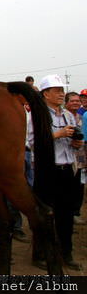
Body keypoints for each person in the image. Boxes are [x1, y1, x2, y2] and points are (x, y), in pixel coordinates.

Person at [31, 75, 83, 270]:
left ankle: (65, 253)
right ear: (46, 94)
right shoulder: (38, 115)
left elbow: (74, 141)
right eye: (57, 90)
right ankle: (40, 255)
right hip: (47, 170)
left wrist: (76, 142)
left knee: (66, 215)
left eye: (62, 90)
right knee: (44, 215)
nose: (61, 94)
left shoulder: (68, 115)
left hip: (68, 169)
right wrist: (57, 134)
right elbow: (31, 143)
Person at [64, 92, 85, 225]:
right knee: (68, 185)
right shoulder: (63, 116)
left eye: (78, 101)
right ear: (66, 103)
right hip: (66, 156)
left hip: (81, 155)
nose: (76, 103)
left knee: (79, 184)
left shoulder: (82, 117)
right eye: (72, 101)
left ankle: (75, 212)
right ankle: (67, 213)